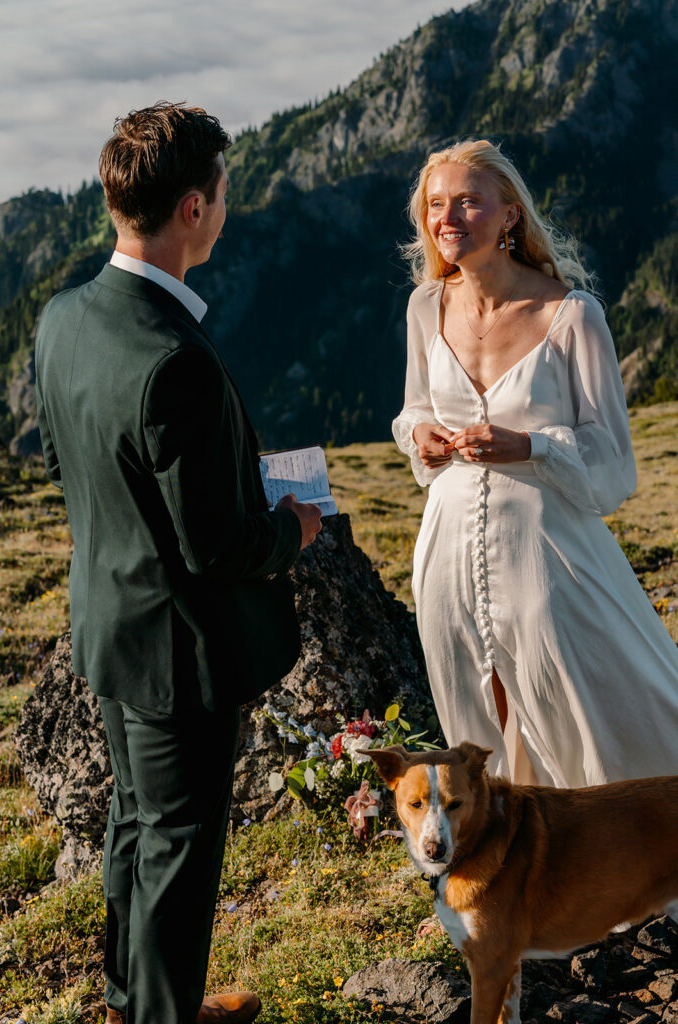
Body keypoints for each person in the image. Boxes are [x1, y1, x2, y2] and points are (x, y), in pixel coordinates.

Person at [35, 102, 322, 1024]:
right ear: (194, 208)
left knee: (136, 822)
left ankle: (133, 1000)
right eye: (224, 193)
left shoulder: (66, 319)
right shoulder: (174, 361)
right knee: (180, 844)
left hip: (109, 624)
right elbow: (223, 546)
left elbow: (75, 466)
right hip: (178, 648)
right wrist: (296, 530)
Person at [392, 139, 678, 789]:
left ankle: (625, 857)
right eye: (436, 205)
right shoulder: (423, 308)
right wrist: (423, 437)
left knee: (583, 707)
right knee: (474, 712)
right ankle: (515, 868)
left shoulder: (572, 315)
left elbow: (610, 455)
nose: (448, 219)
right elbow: (410, 411)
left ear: (509, 215)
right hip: (446, 547)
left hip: (547, 552)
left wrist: (531, 446)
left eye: (468, 202)